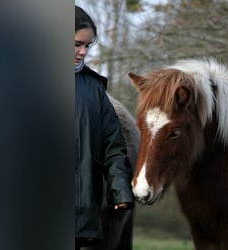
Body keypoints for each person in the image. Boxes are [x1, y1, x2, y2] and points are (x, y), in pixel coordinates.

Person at [75, 5, 134, 250]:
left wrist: (120, 190)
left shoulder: (94, 89)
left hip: (80, 214)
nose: (82, 52)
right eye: (77, 43)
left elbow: (114, 145)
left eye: (87, 46)